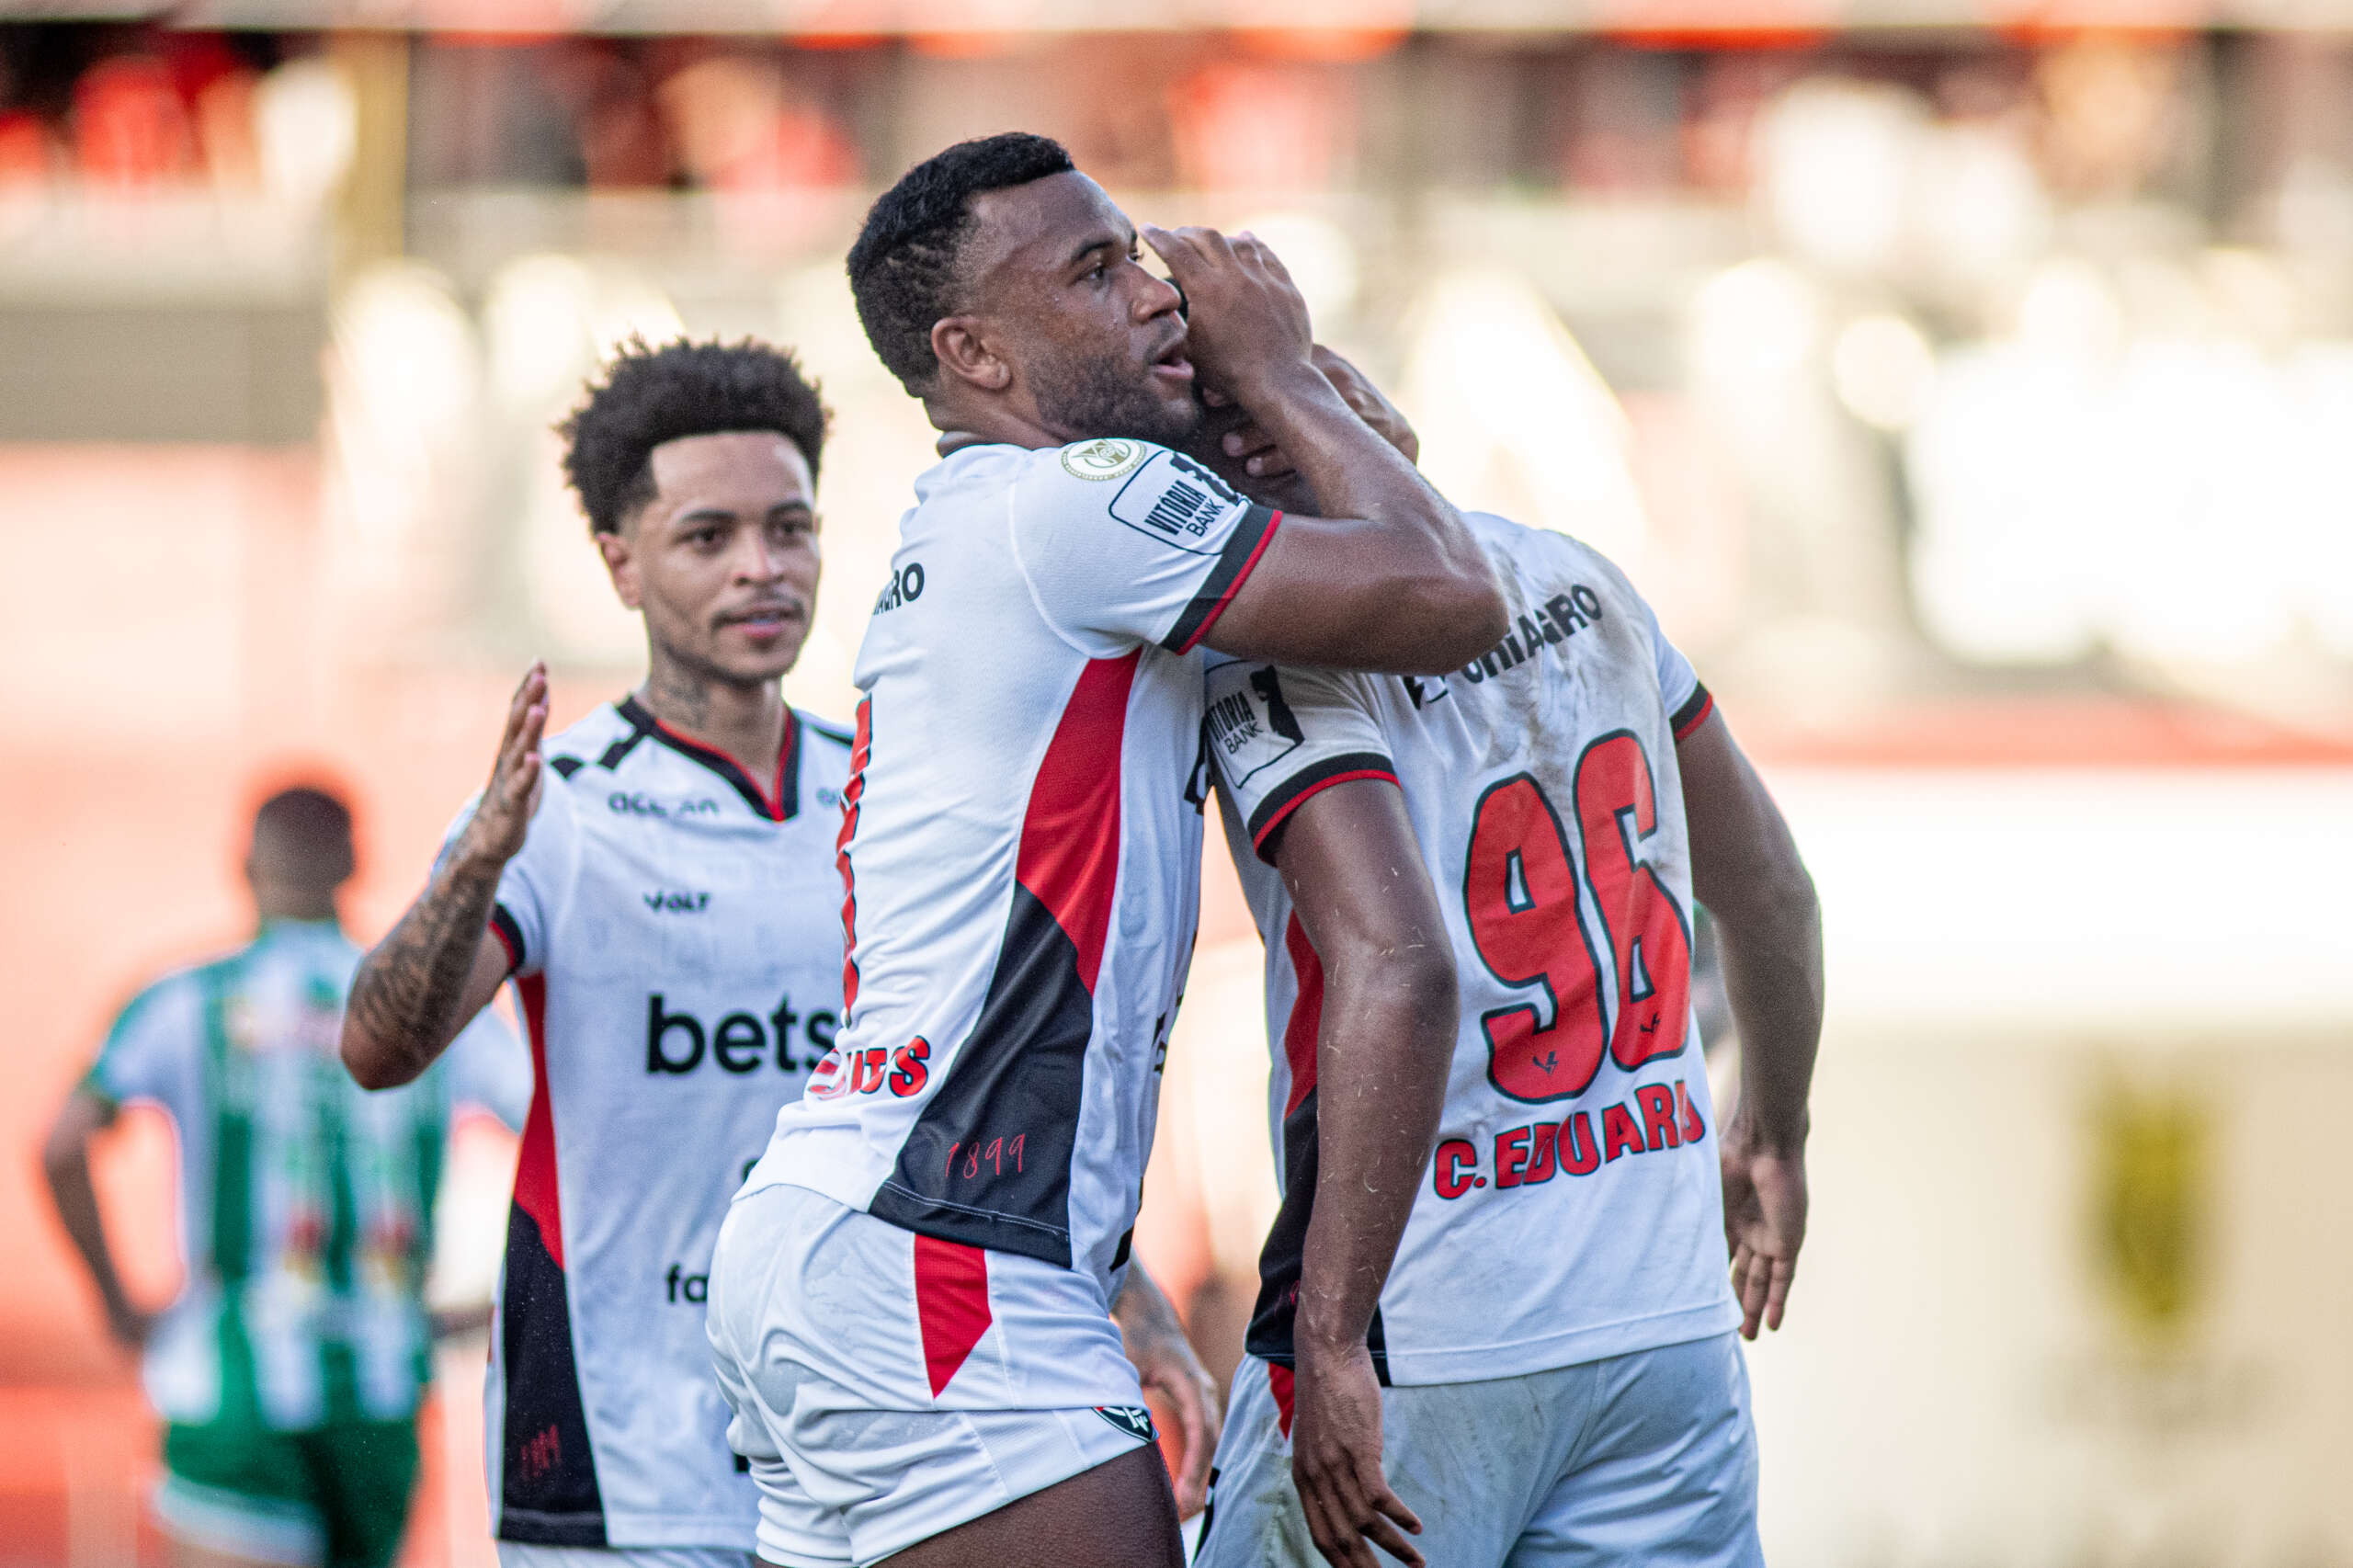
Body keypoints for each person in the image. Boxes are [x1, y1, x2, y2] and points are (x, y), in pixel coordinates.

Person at [702, 131, 1509, 1568]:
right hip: (947, 1256)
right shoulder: (1076, 509)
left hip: (853, 1226)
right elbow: (1449, 589)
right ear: (978, 356)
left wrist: (1273, 396)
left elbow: (1376, 473)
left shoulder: (1002, 520)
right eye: (1092, 271)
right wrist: (1276, 360)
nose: (1154, 292)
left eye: (1137, 252)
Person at [336, 337, 1222, 1568]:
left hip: (869, 1419)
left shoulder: (892, 779)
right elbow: (378, 1049)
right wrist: (479, 863)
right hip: (629, 1450)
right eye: (708, 537)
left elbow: (967, 1077)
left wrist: (1130, 1297)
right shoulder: (561, 807)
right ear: (620, 563)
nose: (762, 568)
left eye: (789, 528)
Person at [1184, 384, 1824, 1568]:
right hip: (1663, 1323)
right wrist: (1773, 1132)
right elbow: (1772, 888)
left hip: (1430, 1326)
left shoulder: (1275, 643)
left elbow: (1398, 972)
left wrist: (1324, 1337)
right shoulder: (1581, 579)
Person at [43, 784, 527, 1568]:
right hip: (380, 1392)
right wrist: (499, 1304)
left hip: (235, 1393)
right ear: (353, 866)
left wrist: (117, 1305)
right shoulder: (436, 1010)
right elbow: (560, 1141)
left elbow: (62, 1146)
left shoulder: (186, 1000)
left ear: (243, 864)